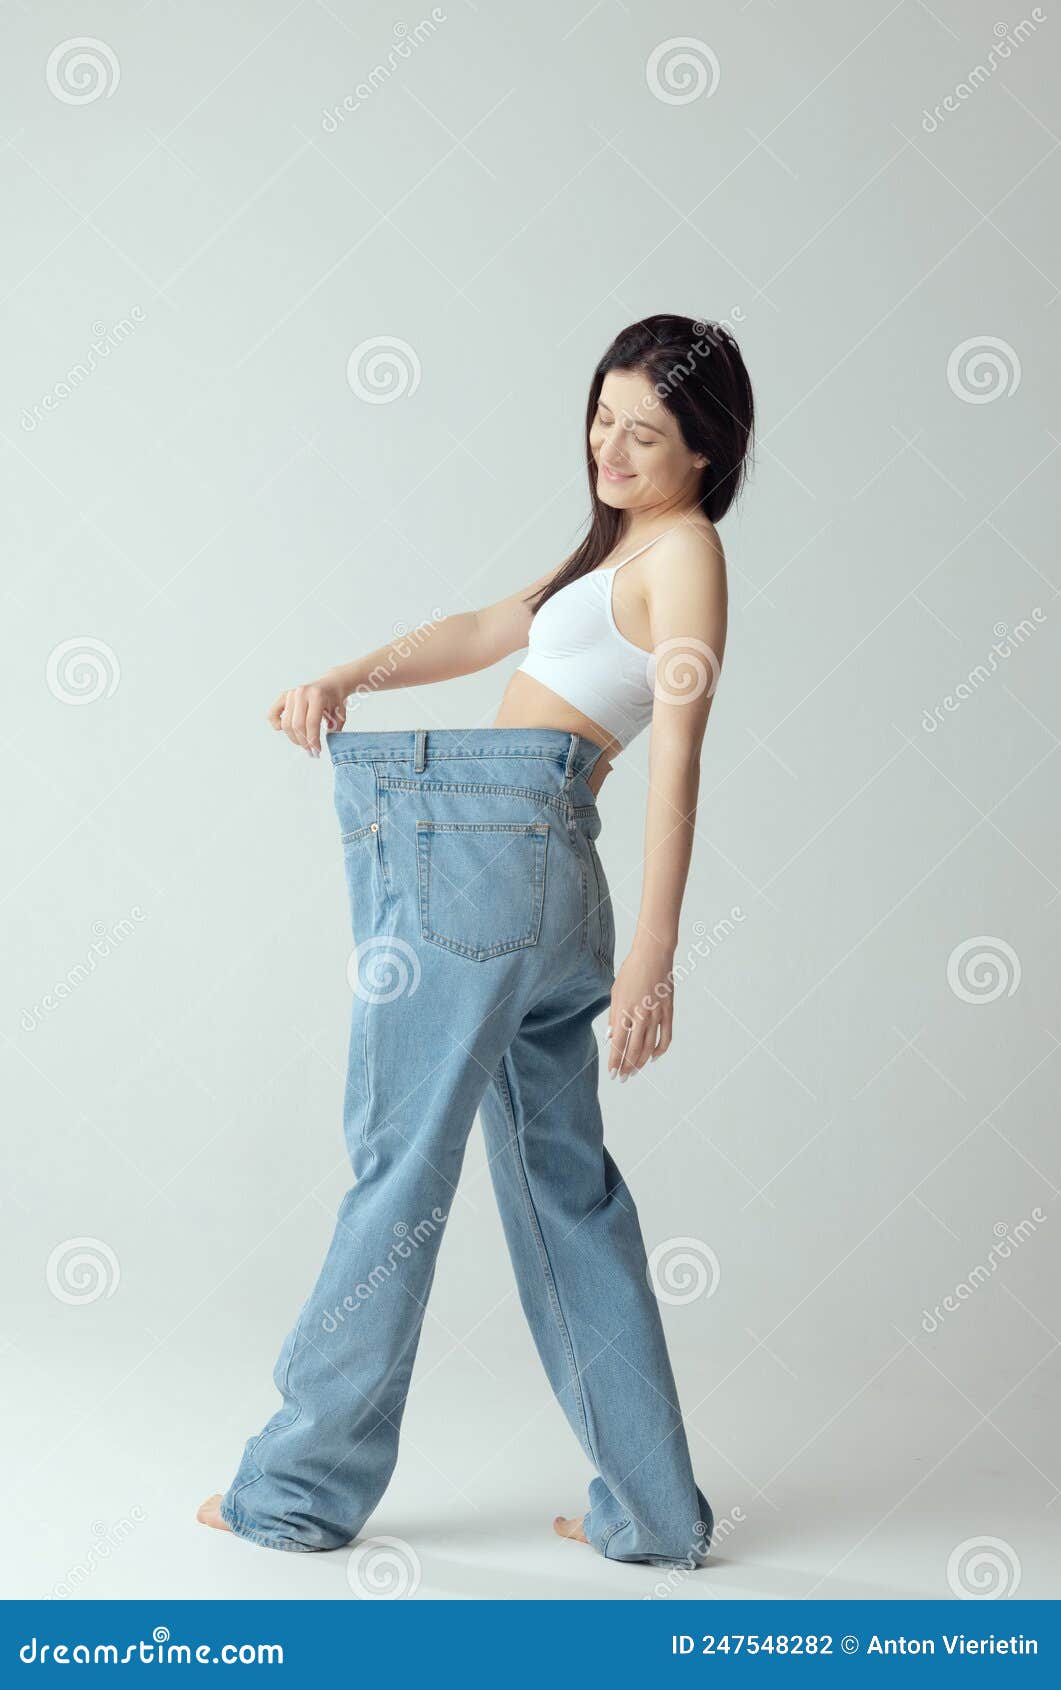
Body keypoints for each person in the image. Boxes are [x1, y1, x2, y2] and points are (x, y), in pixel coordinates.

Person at [198, 314, 755, 1564]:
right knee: (564, 1190)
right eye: (603, 416)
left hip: (498, 854)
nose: (610, 447)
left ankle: (294, 1489)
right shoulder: (616, 552)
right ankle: (652, 1512)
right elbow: (479, 629)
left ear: (706, 450)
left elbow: (678, 759)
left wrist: (655, 956)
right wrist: (350, 672)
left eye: (645, 433)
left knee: (397, 1170)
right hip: (538, 870)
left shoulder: (687, 556)